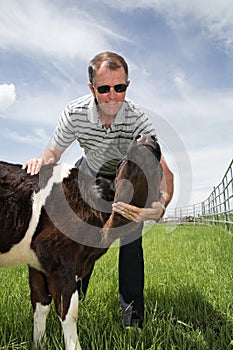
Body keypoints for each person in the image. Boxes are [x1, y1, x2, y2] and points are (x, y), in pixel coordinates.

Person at [23, 51, 174, 331]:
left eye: (120, 87)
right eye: (104, 89)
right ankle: (72, 300)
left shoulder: (137, 120)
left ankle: (133, 321)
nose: (113, 95)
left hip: (124, 180)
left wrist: (160, 205)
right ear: (92, 88)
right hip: (89, 174)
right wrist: (39, 161)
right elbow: (53, 153)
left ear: (128, 85)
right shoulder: (75, 112)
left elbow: (166, 173)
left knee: (130, 241)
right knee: (79, 237)